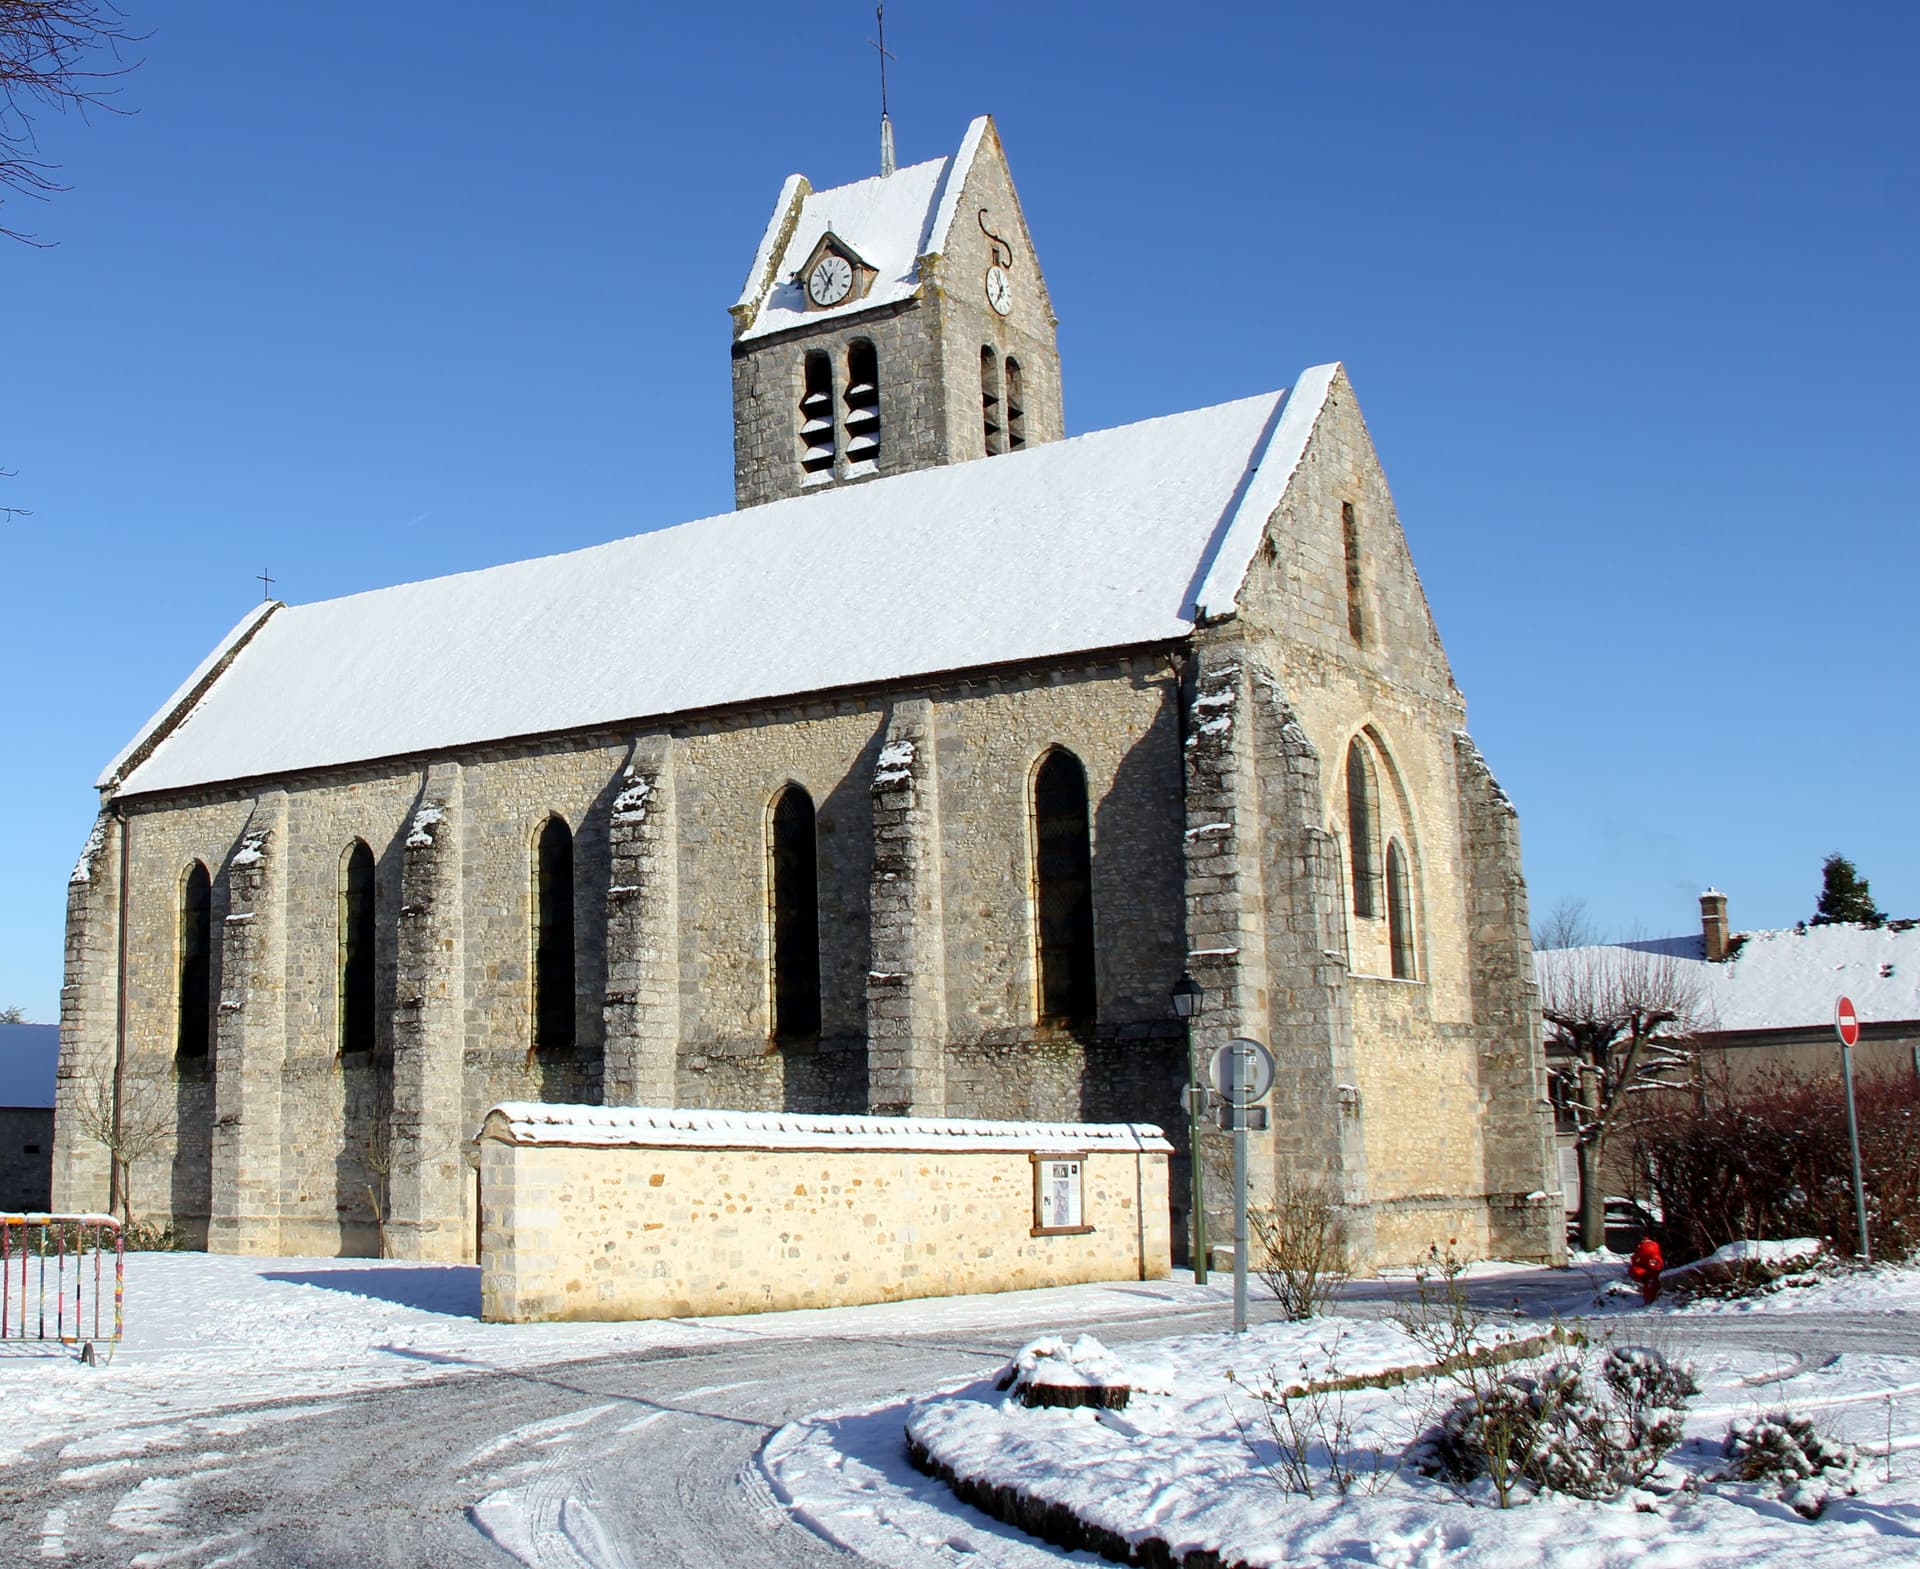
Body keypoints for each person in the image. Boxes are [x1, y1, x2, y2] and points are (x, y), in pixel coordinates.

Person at [1627, 1235, 1664, 1306]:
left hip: (1649, 1273)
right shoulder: (1652, 1246)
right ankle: (1649, 1301)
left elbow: (1636, 1259)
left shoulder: (1645, 1248)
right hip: (1650, 1273)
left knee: (1650, 1286)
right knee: (1649, 1286)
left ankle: (1649, 1301)